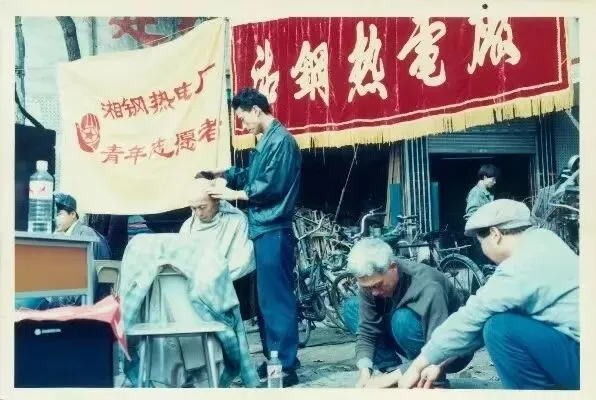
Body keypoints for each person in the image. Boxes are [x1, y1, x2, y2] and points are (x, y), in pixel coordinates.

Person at [397, 199, 579, 390]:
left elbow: (472, 316)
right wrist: (438, 362)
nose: (483, 250)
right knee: (501, 319)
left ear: (495, 234)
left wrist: (417, 366)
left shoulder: (522, 265)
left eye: (481, 242)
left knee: (500, 328)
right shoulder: (545, 240)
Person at [197, 88, 302, 386]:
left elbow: (268, 187)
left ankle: (286, 366)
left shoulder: (281, 142)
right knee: (266, 301)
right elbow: (251, 175)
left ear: (256, 110)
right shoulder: (267, 141)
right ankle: (275, 361)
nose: (242, 125)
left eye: (243, 118)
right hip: (264, 228)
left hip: (273, 228)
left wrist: (232, 193)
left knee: (276, 299)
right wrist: (224, 173)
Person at [342, 238, 473, 389]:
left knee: (402, 319)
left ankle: (427, 380)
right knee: (352, 307)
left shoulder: (428, 286)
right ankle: (393, 371)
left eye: (378, 285)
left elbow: (440, 346)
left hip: (451, 351)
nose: (374, 292)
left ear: (393, 268)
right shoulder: (371, 281)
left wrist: (408, 372)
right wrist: (365, 373)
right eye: (368, 287)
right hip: (414, 339)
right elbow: (367, 331)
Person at [54, 193, 111, 260]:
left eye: (59, 214)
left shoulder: (85, 234)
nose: (55, 219)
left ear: (73, 214)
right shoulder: (72, 233)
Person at [465, 164, 499, 265]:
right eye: (493, 179)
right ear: (484, 177)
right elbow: (471, 214)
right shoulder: (476, 193)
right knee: (483, 264)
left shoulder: (485, 193)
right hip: (480, 233)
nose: (495, 182)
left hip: (486, 232)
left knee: (488, 263)